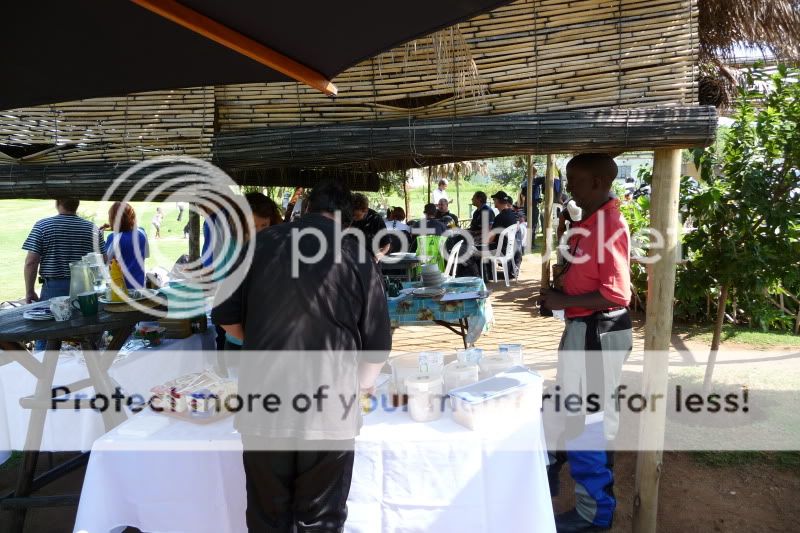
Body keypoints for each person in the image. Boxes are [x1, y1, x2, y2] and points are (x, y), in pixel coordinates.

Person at [212, 181, 391, 532]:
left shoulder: (259, 244)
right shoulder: (356, 254)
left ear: (305, 210)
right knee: (321, 518)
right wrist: (362, 389)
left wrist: (262, 341)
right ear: (346, 222)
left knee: (268, 514)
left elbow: (226, 318)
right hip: (329, 406)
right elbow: (377, 345)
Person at [537, 153, 632, 533]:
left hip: (598, 331)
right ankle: (578, 491)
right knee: (575, 412)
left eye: (573, 180)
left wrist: (563, 300)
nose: (568, 187)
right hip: (584, 329)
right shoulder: (590, 223)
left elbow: (617, 294)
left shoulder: (609, 227)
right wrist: (563, 290)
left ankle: (595, 515)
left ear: (597, 182)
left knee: (591, 419)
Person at [22, 198, 106, 351]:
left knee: (48, 333)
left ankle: (44, 371)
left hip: (54, 288)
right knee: (88, 334)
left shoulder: (43, 226)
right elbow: (103, 261)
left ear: (57, 202)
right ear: (77, 204)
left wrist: (29, 291)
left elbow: (31, 262)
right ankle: (92, 368)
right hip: (86, 289)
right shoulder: (92, 228)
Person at [104, 202, 149, 289]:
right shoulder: (142, 232)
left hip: (120, 287)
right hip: (140, 285)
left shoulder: (113, 237)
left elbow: (104, 261)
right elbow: (146, 255)